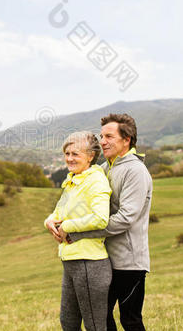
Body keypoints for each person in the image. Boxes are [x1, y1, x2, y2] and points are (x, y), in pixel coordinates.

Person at [63, 114, 153, 331]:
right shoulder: (104, 168)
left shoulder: (136, 171)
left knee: (130, 320)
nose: (102, 141)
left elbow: (125, 219)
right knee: (100, 319)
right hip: (105, 260)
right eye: (101, 136)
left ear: (127, 139)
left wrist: (79, 234)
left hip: (129, 262)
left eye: (109, 136)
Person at [44, 131, 112, 331]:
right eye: (67, 153)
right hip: (71, 262)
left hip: (89, 264)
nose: (69, 158)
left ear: (90, 156)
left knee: (95, 326)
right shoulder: (73, 181)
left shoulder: (96, 181)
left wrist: (66, 226)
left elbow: (101, 218)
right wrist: (49, 221)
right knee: (68, 322)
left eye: (75, 154)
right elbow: (57, 212)